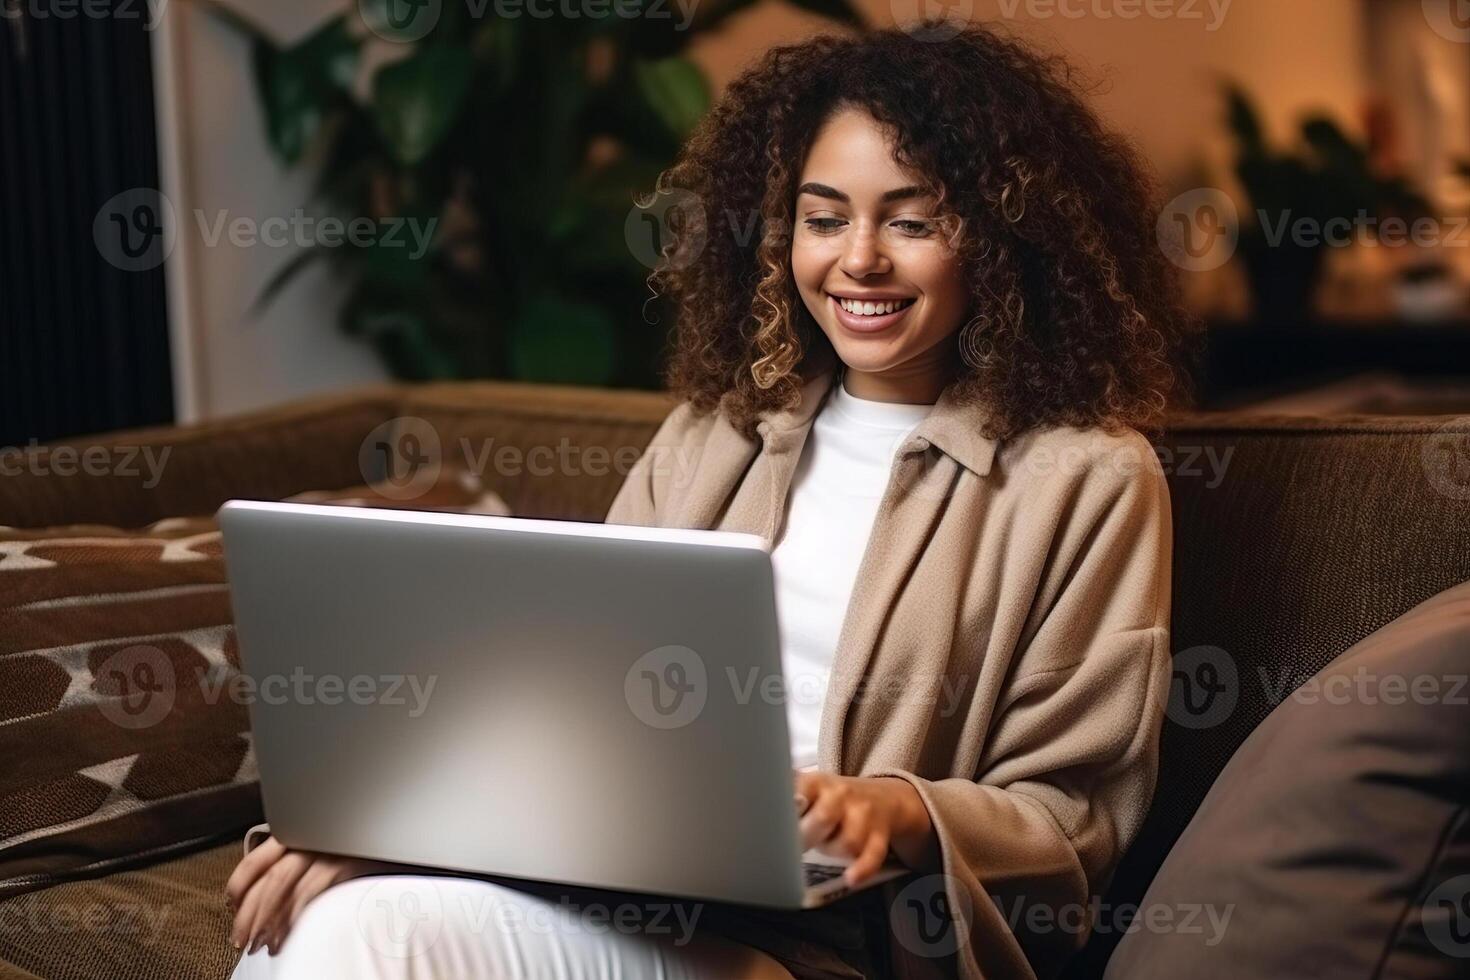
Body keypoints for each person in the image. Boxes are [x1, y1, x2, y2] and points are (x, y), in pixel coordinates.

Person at [227, 20, 1194, 980]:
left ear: (1001, 237)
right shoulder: (716, 432)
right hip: (620, 891)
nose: (859, 259)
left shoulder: (1087, 478)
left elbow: (1073, 826)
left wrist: (893, 811)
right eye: (824, 219)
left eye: (912, 220)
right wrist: (399, 833)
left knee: (366, 937)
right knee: (330, 915)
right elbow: (573, 716)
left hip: (831, 944)